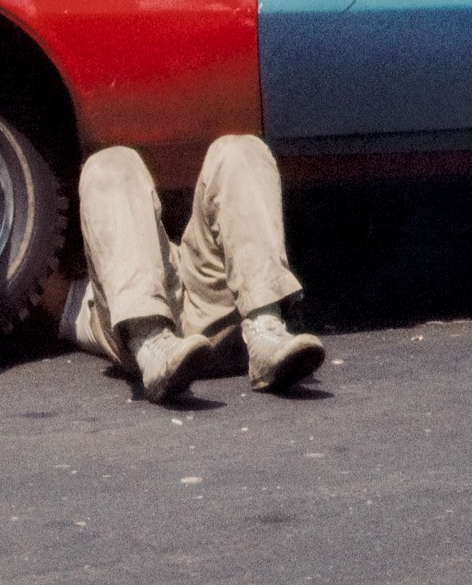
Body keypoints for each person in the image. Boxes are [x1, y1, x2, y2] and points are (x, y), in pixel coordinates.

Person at [60, 136, 325, 404]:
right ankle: (150, 341)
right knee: (109, 164)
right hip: (134, 301)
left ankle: (265, 328)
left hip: (209, 293)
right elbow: (49, 297)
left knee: (241, 149)